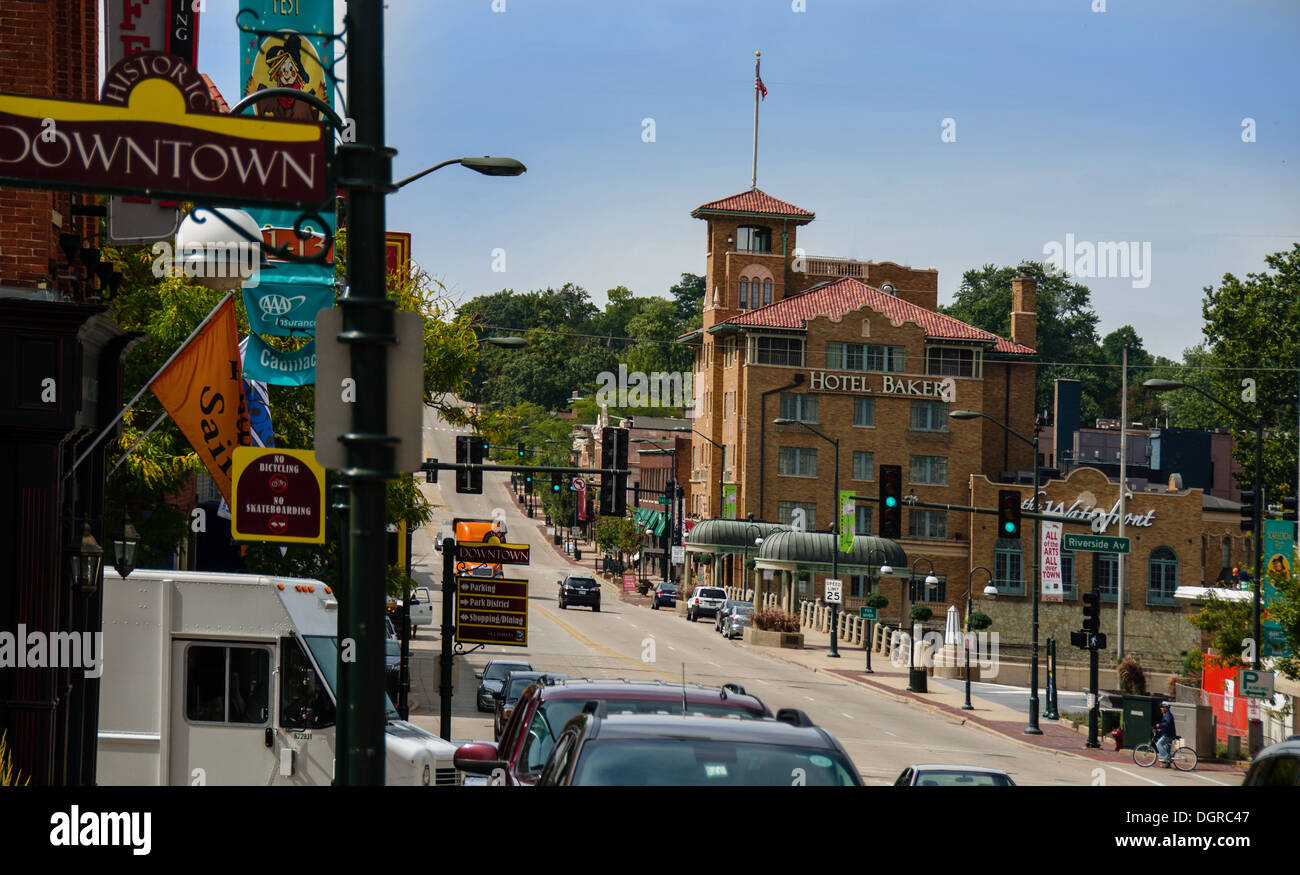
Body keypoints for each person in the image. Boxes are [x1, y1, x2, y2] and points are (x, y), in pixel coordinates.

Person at [1154, 702, 1177, 767]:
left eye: (1162, 707)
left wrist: (1159, 725)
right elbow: (1167, 726)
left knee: (1159, 744)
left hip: (1168, 735)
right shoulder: (1166, 714)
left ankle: (1165, 757)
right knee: (1167, 748)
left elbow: (1167, 724)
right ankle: (1167, 764)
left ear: (1166, 708)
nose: (1161, 708)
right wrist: (1161, 730)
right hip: (1169, 733)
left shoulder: (1168, 715)